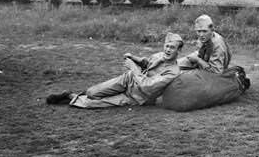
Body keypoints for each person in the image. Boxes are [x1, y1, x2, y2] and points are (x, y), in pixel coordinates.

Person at [46, 32, 184, 108]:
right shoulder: (159, 55)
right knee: (92, 92)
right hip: (128, 79)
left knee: (91, 103)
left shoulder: (173, 71)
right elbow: (147, 62)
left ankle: (70, 96)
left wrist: (133, 67)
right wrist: (134, 58)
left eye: (172, 48)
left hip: (138, 96)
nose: (167, 50)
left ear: (179, 50)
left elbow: (148, 87)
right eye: (166, 46)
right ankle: (76, 95)